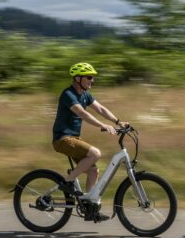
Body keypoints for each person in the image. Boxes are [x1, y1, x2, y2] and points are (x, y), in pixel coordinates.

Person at [52, 62, 129, 222]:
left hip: (74, 139)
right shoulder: (68, 94)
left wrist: (118, 122)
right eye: (89, 77)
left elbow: (100, 109)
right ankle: (67, 182)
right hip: (63, 139)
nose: (92, 80)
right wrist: (102, 125)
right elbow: (82, 114)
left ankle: (90, 208)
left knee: (93, 171)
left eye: (92, 78)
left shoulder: (85, 95)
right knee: (95, 153)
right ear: (78, 78)